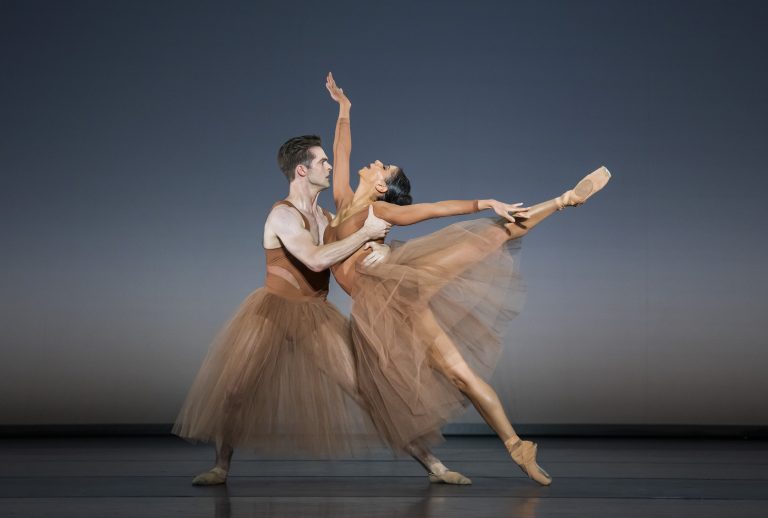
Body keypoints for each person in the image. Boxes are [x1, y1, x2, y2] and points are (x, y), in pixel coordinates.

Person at [323, 72, 612, 486]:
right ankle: (511, 447)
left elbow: (434, 210)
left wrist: (484, 202)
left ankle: (565, 200)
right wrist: (344, 108)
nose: (375, 163)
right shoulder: (342, 203)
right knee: (454, 377)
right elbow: (341, 148)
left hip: (396, 286)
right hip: (380, 311)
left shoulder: (381, 213)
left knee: (487, 237)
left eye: (383, 166)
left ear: (383, 185)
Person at [173, 134, 392, 485]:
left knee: (361, 386)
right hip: (273, 311)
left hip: (316, 315)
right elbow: (317, 260)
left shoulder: (326, 217)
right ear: (302, 170)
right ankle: (221, 467)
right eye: (323, 162)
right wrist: (365, 233)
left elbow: (361, 246)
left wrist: (385, 249)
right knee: (235, 391)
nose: (329, 166)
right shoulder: (282, 216)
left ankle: (431, 463)